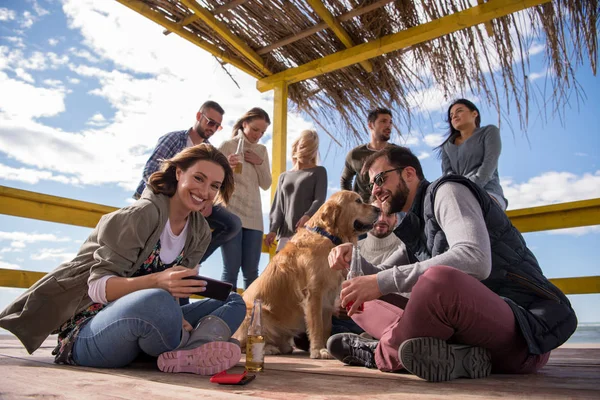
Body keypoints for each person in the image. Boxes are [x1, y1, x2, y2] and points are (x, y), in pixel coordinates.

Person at [326, 146, 577, 382]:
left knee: (438, 280)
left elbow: (474, 259)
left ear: (409, 173)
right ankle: (458, 357)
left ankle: (379, 352)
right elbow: (383, 277)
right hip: (476, 342)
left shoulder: (448, 191)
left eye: (380, 179)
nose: (375, 191)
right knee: (359, 298)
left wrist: (380, 282)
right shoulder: (415, 225)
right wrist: (353, 258)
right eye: (371, 186)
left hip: (524, 335)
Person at [0, 144, 247, 375]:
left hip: (146, 323)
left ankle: (193, 349)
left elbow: (173, 294)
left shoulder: (199, 231)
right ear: (179, 173)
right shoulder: (141, 215)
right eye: (199, 178)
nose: (205, 192)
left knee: (234, 300)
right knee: (157, 298)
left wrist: (176, 314)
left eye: (215, 186)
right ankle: (197, 347)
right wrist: (158, 282)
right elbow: (97, 288)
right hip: (90, 332)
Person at [133, 100, 242, 269]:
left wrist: (206, 202)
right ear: (199, 116)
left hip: (191, 206)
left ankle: (191, 261)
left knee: (233, 224)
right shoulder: (173, 139)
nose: (212, 129)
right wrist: (180, 194)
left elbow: (210, 186)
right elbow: (150, 173)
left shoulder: (209, 151)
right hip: (160, 198)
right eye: (210, 122)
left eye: (217, 126)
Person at [218, 107, 272, 290]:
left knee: (251, 272)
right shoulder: (227, 146)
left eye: (262, 132)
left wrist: (259, 163)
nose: (258, 135)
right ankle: (224, 315)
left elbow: (266, 183)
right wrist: (226, 167)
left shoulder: (262, 151)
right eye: (255, 129)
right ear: (244, 124)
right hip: (231, 214)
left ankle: (250, 316)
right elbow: (213, 179)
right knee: (230, 270)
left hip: (255, 219)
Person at [436, 99, 508, 210]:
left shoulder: (489, 132)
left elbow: (489, 165)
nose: (454, 116)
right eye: (451, 115)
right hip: (459, 196)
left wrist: (467, 188)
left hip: (488, 192)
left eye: (459, 111)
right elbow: (448, 175)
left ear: (474, 113)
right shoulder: (447, 147)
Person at [265, 129, 327, 253]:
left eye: (311, 151)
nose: (307, 154)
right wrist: (273, 229)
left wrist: (307, 216)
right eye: (304, 148)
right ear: (297, 146)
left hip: (308, 232)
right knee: (280, 271)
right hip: (284, 234)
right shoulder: (284, 176)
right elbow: (278, 206)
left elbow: (319, 199)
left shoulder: (319, 171)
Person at [340, 108, 395, 203]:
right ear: (370, 125)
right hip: (364, 211)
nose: (388, 126)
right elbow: (345, 180)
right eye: (383, 121)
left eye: (390, 122)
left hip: (392, 210)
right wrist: (352, 203)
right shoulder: (355, 154)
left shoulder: (397, 153)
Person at [357, 199, 403, 265]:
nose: (382, 219)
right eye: (376, 213)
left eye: (389, 214)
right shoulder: (353, 250)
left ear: (396, 220)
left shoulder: (406, 250)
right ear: (366, 218)